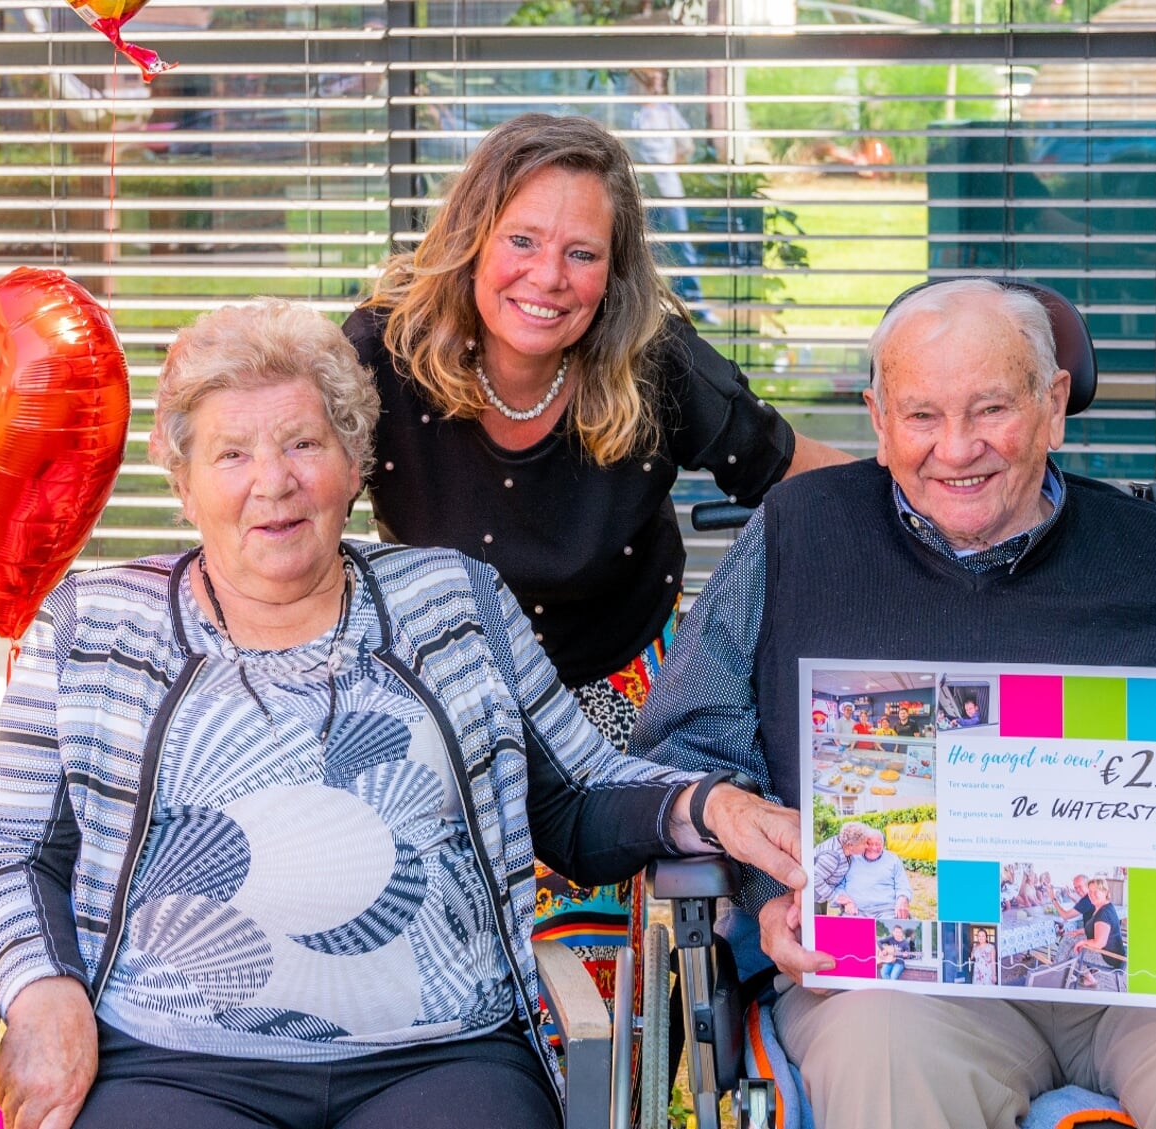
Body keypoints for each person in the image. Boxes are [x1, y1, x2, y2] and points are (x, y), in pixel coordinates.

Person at [0, 299, 806, 1129]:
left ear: (355, 460)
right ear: (183, 483)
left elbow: (578, 793)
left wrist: (712, 806)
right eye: (231, 454)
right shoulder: (96, 626)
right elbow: (10, 850)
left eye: (303, 443)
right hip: (172, 1059)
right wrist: (41, 985)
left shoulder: (453, 602)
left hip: (440, 1057)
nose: (275, 481)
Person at [634, 278, 1156, 1129]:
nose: (958, 448)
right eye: (922, 416)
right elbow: (689, 738)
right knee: (886, 1058)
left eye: (991, 410)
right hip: (905, 978)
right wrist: (770, 888)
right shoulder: (796, 537)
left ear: (1053, 406)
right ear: (877, 417)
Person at [344, 111, 847, 995]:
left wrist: (944, 478)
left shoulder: (653, 362)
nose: (549, 276)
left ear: (613, 272)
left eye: (581, 252)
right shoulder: (384, 351)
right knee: (425, 948)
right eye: (524, 240)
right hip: (443, 687)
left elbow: (795, 475)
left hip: (618, 696)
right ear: (472, 240)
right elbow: (289, 487)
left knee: (600, 983)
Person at [626, 67, 708, 318]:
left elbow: (687, 146)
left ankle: (693, 303)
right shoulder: (633, 115)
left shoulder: (666, 112)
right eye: (651, 83)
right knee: (643, 249)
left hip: (669, 192)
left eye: (658, 83)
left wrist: (667, 170)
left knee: (680, 246)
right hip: (643, 194)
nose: (655, 88)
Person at [825, 826, 910, 920]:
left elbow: (903, 884)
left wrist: (903, 898)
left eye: (878, 844)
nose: (873, 848)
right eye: (869, 843)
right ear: (863, 843)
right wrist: (846, 902)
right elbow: (838, 885)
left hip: (886, 910)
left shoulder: (893, 859)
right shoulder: (851, 858)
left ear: (883, 844)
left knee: (892, 930)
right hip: (856, 910)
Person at [1073, 877, 1127, 989]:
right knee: (1072, 940)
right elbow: (1098, 927)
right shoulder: (1106, 906)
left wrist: (1082, 942)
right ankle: (1063, 971)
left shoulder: (1103, 913)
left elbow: (1099, 943)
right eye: (1090, 892)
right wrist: (1081, 931)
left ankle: (1088, 978)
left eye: (1096, 891)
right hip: (1117, 952)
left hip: (1109, 957)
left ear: (1105, 892)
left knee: (1073, 951)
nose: (1092, 895)